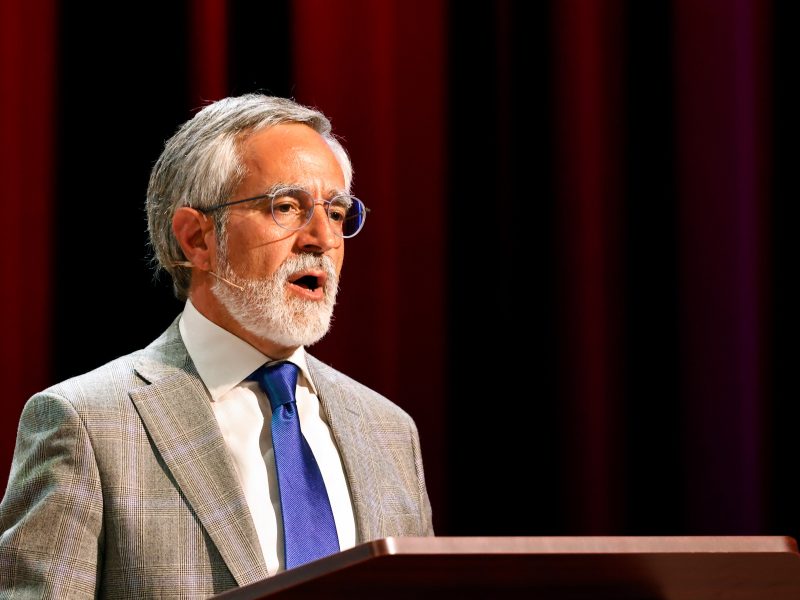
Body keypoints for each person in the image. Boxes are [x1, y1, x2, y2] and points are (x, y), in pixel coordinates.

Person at [0, 94, 434, 599]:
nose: (322, 238)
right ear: (197, 239)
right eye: (287, 207)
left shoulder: (389, 432)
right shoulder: (86, 423)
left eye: (336, 213)